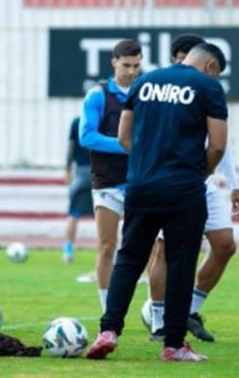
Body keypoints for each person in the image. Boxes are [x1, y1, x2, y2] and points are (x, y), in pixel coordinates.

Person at [86, 43, 228, 362]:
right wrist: (196, 173)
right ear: (209, 67)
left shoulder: (144, 82)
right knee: (180, 263)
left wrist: (145, 166)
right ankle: (174, 344)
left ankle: (108, 330)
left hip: (141, 185)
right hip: (184, 188)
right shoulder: (208, 86)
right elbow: (217, 146)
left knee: (129, 259)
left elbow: (124, 136)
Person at [145, 33, 239, 343]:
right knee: (163, 250)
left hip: (204, 179)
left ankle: (188, 309)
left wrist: (234, 185)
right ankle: (159, 321)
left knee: (225, 244)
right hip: (172, 179)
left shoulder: (208, 90)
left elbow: (220, 143)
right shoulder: (161, 89)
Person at [79, 39, 142, 313]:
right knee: (107, 247)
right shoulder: (97, 95)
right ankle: (108, 310)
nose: (131, 71)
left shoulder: (146, 92)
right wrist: (127, 145)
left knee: (152, 249)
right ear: (114, 62)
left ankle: (156, 310)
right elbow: (86, 136)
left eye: (136, 66)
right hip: (107, 183)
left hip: (141, 182)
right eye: (126, 65)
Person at [62, 115, 94, 263]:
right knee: (110, 213)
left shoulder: (77, 121)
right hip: (103, 170)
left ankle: (68, 250)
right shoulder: (106, 117)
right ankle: (112, 252)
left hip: (81, 171)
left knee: (73, 213)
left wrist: (67, 169)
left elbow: (71, 146)